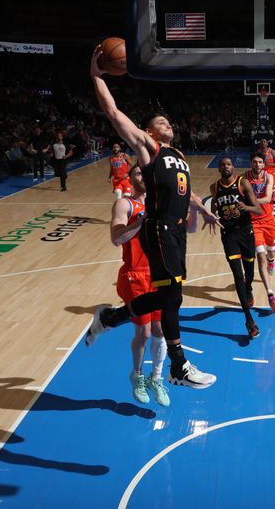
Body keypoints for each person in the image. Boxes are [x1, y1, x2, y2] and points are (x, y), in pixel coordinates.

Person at [86, 45, 222, 389]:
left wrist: (202, 208)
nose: (168, 123)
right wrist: (96, 76)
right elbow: (114, 113)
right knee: (172, 298)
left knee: (168, 297)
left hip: (175, 233)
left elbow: (182, 191)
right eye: (161, 121)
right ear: (148, 132)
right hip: (158, 229)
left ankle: (110, 318)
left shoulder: (178, 155)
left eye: (168, 120)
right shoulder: (149, 148)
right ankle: (179, 366)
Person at [110, 163, 170, 406]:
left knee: (160, 330)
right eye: (138, 173)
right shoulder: (126, 204)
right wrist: (139, 223)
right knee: (144, 333)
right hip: (135, 274)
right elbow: (116, 238)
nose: (143, 176)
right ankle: (137, 375)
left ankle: (157, 378)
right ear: (131, 178)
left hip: (159, 273)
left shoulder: (160, 204)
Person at [210, 157, 263, 338]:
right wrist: (212, 216)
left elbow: (259, 209)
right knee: (237, 276)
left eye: (228, 164)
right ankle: (249, 320)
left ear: (233, 167)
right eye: (223, 164)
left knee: (249, 274)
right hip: (229, 235)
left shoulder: (243, 182)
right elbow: (213, 209)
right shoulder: (215, 187)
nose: (225, 167)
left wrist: (246, 207)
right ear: (219, 168)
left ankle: (249, 288)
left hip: (246, 232)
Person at [245, 152, 275, 312]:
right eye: (255, 162)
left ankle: (272, 260)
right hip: (253, 222)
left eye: (260, 162)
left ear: (263, 164)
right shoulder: (244, 178)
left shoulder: (269, 177)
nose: (258, 165)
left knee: (271, 251)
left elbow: (267, 198)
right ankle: (271, 296)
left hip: (268, 220)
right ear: (251, 163)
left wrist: (248, 202)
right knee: (260, 257)